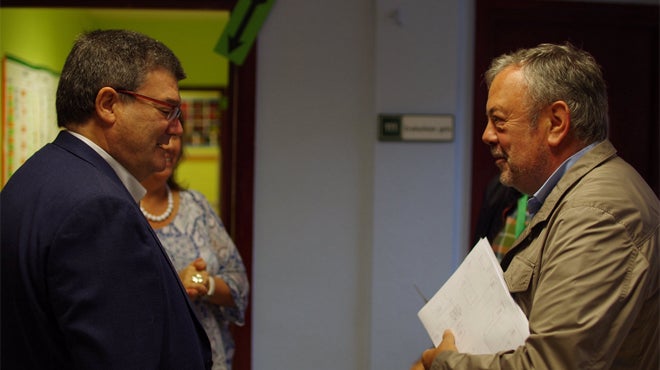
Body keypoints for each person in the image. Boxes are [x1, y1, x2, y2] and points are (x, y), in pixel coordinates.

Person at [413, 42, 659, 369]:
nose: (487, 136)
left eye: (499, 121)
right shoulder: (567, 199)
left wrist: (445, 362)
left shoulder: (597, 214)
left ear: (556, 122)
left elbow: (550, 365)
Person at [1, 30, 212, 369]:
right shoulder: (98, 210)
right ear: (109, 105)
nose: (177, 129)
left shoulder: (38, 174)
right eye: (167, 110)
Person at [140, 134, 249, 370]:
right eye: (160, 136)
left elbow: (239, 284)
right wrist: (178, 286)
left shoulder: (197, 206)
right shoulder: (119, 209)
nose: (169, 145)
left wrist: (202, 283)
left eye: (175, 137)